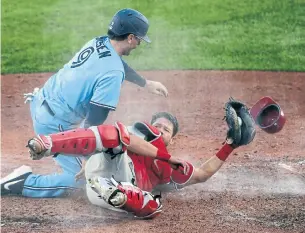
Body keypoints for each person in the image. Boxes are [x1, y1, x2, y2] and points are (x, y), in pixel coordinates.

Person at [3, 8, 169, 198]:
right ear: (130, 38)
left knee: (99, 157)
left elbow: (116, 63)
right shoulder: (112, 75)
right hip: (54, 124)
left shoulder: (99, 42)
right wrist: (85, 157)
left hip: (42, 101)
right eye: (139, 39)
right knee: (84, 181)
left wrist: (145, 83)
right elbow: (93, 122)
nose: (139, 43)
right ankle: (22, 183)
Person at [1, 99, 256, 219]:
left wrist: (230, 145)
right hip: (110, 163)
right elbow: (123, 139)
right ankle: (47, 144)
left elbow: (202, 173)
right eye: (158, 124)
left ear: (173, 138)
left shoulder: (170, 169)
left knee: (151, 206)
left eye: (166, 129)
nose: (160, 129)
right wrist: (162, 154)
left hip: (109, 189)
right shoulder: (146, 134)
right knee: (116, 135)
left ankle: (22, 182)